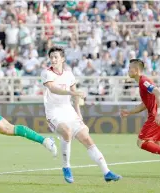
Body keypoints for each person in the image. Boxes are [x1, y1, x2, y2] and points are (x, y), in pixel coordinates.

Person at [41, 46, 121, 183]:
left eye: (56, 57)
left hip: (69, 110)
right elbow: (53, 89)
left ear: (63, 59)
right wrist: (73, 93)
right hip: (53, 112)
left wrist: (78, 113)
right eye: (51, 57)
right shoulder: (47, 73)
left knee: (87, 138)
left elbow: (75, 95)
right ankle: (66, 167)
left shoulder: (69, 74)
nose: (53, 59)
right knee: (66, 131)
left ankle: (106, 172)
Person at [120, 59, 160, 179]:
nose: (128, 70)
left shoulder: (144, 81)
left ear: (137, 70)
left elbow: (158, 93)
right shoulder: (141, 84)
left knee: (141, 142)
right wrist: (129, 112)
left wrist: (158, 113)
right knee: (159, 146)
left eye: (130, 68)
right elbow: (144, 104)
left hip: (157, 116)